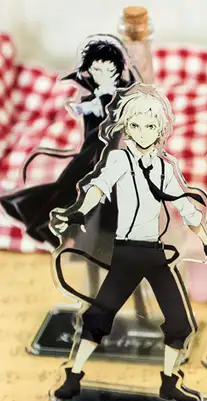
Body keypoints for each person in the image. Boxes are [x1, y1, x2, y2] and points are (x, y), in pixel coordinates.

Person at [50, 84, 207, 401]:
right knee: (99, 316)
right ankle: (73, 376)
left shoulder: (165, 168)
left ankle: (169, 382)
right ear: (126, 127)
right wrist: (78, 211)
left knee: (180, 323)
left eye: (149, 126)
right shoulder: (120, 159)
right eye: (135, 125)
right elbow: (99, 186)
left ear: (160, 129)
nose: (142, 132)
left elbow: (186, 208)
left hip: (155, 255)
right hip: (126, 251)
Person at [0, 36, 135, 247]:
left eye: (108, 70)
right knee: (73, 184)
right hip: (93, 147)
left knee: (78, 186)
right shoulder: (91, 95)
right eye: (97, 70)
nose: (102, 75)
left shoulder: (123, 91)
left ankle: (36, 216)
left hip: (108, 149)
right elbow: (87, 109)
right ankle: (37, 218)